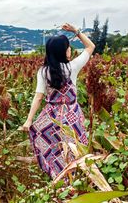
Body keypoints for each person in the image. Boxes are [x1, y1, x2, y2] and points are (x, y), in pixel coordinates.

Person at [18, 23, 95, 179]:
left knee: (53, 146)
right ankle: (75, 178)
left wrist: (29, 120)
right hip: (72, 115)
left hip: (51, 115)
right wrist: (76, 31)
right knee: (74, 146)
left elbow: (38, 97)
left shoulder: (43, 71)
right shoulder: (72, 67)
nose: (70, 50)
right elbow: (90, 46)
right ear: (63, 51)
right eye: (68, 48)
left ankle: (58, 176)